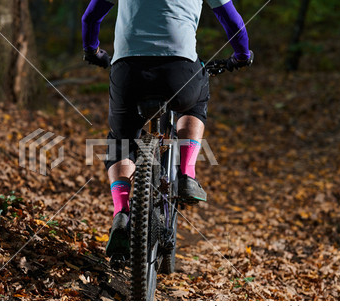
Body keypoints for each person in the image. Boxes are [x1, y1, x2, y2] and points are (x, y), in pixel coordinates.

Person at [81, 0, 253, 257]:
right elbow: (233, 23)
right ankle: (186, 174)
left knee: (121, 142)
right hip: (179, 70)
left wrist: (93, 50)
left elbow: (90, 18)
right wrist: (241, 55)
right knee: (197, 95)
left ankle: (122, 213)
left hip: (128, 71)